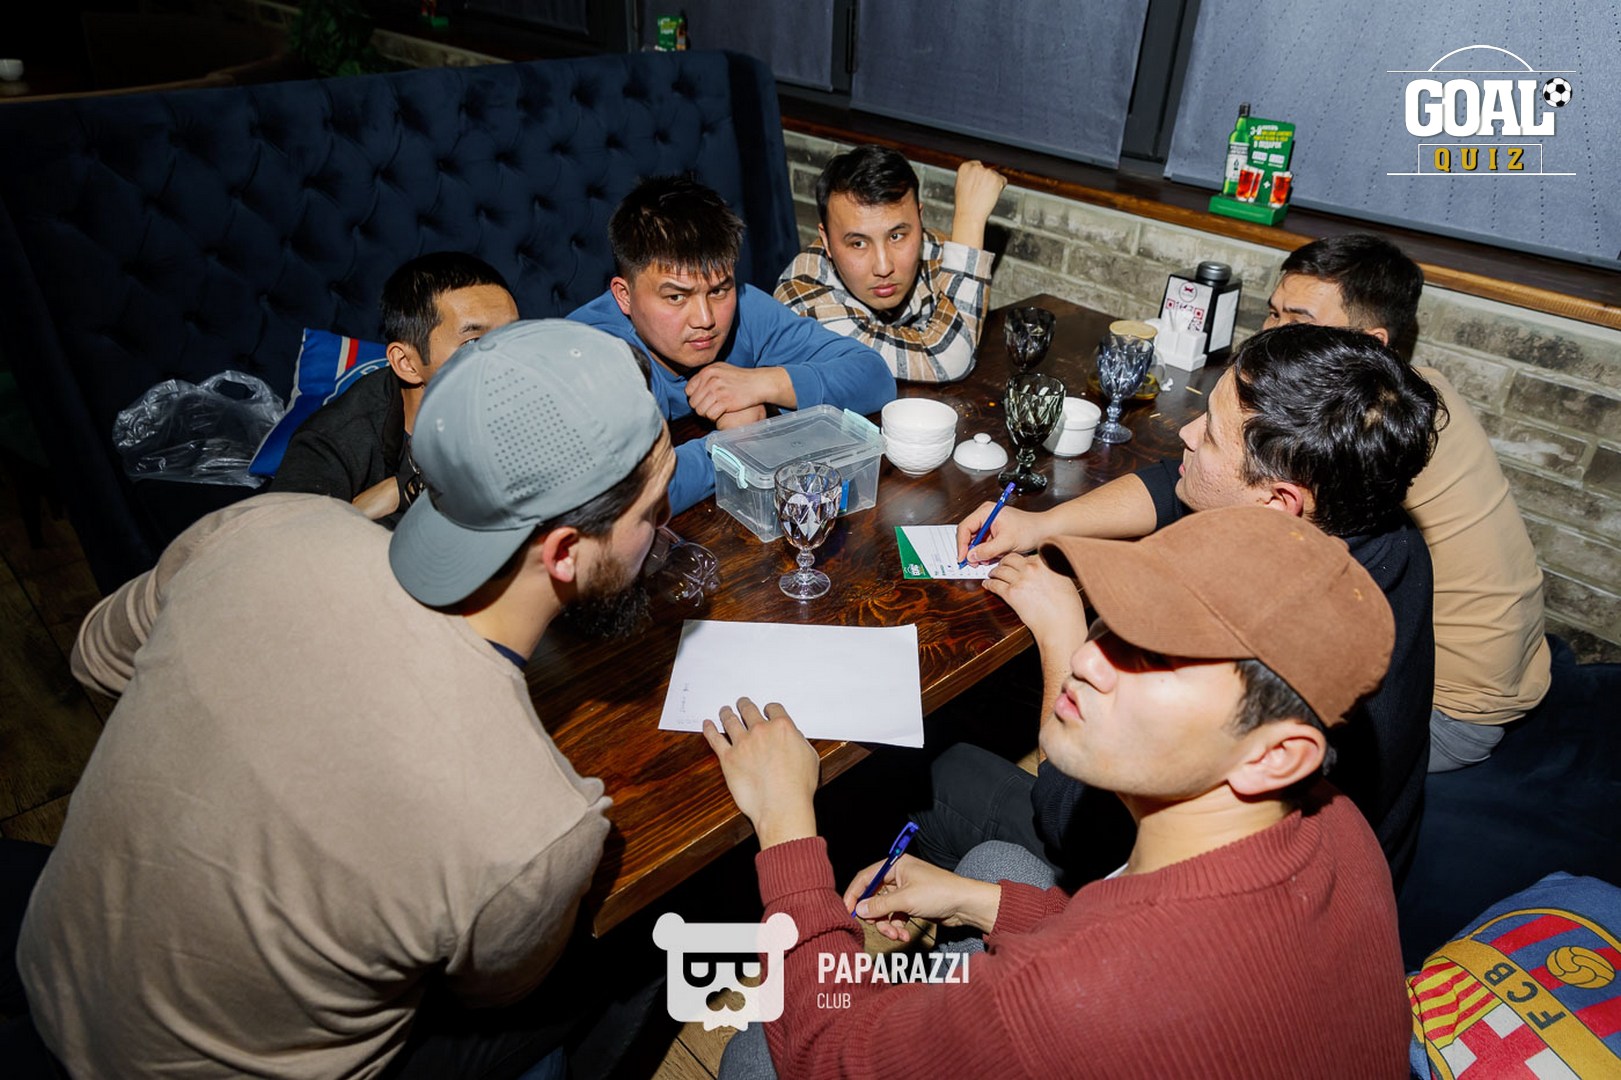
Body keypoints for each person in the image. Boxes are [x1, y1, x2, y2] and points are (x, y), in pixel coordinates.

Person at [18, 321, 675, 1078]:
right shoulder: (538, 824)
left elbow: (95, 655)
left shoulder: (268, 522)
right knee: (643, 947)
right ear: (563, 551)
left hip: (55, 970)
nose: (661, 527)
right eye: (651, 511)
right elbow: (490, 990)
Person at [704, 507, 1411, 1079]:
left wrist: (786, 821)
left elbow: (824, 1056)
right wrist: (971, 901)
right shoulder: (1336, 823)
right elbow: (1130, 938)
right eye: (1113, 620)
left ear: (1274, 755)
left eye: (1155, 655)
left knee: (757, 1055)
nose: (1086, 657)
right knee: (993, 868)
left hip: (1086, 1013)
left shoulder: (1079, 996)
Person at [952, 323, 1442, 884]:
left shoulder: (1249, 642)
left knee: (949, 772)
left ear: (1278, 502)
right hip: (1359, 865)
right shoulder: (1381, 528)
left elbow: (1072, 825)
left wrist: (1061, 634)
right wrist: (1044, 524)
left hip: (1207, 890)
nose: (1186, 434)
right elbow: (1179, 485)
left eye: (1209, 434)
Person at [1265, 233, 1549, 770]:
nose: (1272, 334)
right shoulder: (1417, 390)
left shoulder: (1365, 430)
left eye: (1298, 321)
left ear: (1371, 343)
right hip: (1513, 668)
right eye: (1273, 313)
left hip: (1448, 715)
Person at [570, 175, 895, 514]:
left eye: (718, 290)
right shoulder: (595, 355)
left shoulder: (744, 307)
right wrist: (733, 445)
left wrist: (765, 383)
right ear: (624, 295)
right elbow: (626, 498)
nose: (705, 319)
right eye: (676, 297)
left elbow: (875, 378)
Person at [271, 252, 519, 527]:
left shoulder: (531, 394)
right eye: (472, 343)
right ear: (407, 364)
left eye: (513, 335)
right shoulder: (335, 439)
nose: (506, 359)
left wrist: (406, 489)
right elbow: (286, 539)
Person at [774, 146, 1006, 383]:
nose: (884, 268)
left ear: (919, 221)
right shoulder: (803, 303)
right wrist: (969, 220)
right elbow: (948, 359)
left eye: (896, 236)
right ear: (827, 241)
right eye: (858, 243)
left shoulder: (936, 252)